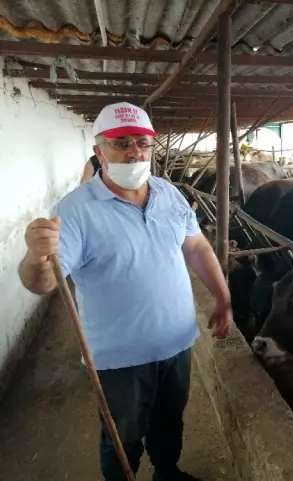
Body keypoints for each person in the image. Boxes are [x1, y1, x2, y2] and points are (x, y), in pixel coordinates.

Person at [18, 101, 232, 481]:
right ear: (99, 152)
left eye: (142, 142)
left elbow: (196, 246)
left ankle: (167, 473)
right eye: (121, 142)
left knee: (169, 420)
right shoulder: (76, 210)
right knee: (124, 434)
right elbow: (43, 282)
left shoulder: (169, 194)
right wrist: (36, 258)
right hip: (120, 358)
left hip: (177, 342)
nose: (134, 151)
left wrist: (222, 296)